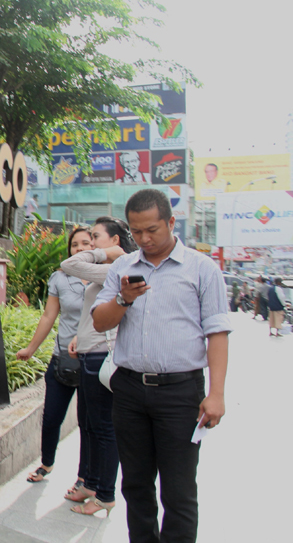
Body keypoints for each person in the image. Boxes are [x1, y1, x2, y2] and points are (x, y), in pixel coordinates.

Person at [92, 189, 231, 543]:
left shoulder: (202, 269)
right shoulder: (123, 268)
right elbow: (100, 322)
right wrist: (125, 298)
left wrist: (216, 394)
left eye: (152, 229)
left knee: (179, 490)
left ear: (171, 222)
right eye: (136, 232)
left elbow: (217, 333)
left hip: (180, 394)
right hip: (129, 391)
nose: (144, 239)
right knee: (136, 486)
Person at [61, 217, 138, 517]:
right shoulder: (112, 270)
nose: (90, 244)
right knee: (90, 425)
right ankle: (91, 483)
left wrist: (106, 254)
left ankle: (105, 494)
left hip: (102, 356)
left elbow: (70, 265)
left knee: (103, 428)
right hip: (90, 352)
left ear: (115, 241)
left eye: (95, 237)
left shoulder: (116, 268)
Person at [17, 227, 93, 490]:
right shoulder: (60, 278)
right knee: (51, 418)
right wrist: (31, 348)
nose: (80, 249)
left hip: (94, 361)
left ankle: (84, 476)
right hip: (62, 359)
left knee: (88, 423)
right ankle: (46, 463)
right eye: (75, 245)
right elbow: (49, 316)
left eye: (86, 243)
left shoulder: (107, 277)